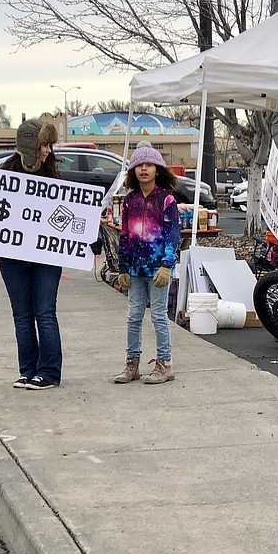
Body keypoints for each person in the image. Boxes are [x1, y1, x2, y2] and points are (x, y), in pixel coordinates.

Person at [0, 117, 65, 390]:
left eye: (50, 146)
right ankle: (28, 370)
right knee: (21, 314)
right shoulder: (2, 176)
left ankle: (49, 373)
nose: (48, 151)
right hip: (13, 258)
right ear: (31, 145)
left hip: (45, 257)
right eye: (44, 145)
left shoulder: (53, 176)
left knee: (44, 312)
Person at [112, 145, 180, 385]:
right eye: (139, 165)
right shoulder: (129, 201)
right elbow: (125, 235)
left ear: (158, 170)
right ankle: (132, 363)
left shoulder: (166, 200)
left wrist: (167, 264)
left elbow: (173, 234)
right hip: (135, 269)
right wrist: (123, 267)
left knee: (159, 315)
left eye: (149, 165)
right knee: (133, 315)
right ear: (133, 170)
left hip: (158, 268)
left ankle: (165, 364)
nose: (144, 169)